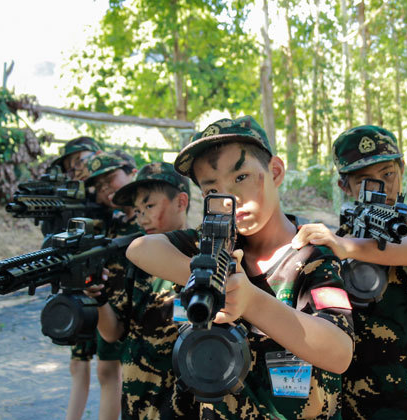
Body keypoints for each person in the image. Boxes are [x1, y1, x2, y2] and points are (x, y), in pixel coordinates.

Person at [125, 116, 355, 418]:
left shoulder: (311, 253)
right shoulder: (214, 242)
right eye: (212, 190)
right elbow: (140, 249)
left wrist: (250, 300)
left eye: (241, 177)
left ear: (274, 172)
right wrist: (211, 278)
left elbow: (339, 352)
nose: (229, 198)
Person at [291, 125, 407, 419]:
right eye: (364, 182)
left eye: (388, 174)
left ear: (402, 167)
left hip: (399, 388)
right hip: (344, 390)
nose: (381, 188)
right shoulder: (341, 235)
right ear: (344, 186)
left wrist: (347, 247)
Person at [85, 161, 199, 419]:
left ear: (181, 202)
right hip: (138, 406)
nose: (142, 216)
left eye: (149, 206)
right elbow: (113, 332)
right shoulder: (132, 261)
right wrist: (98, 297)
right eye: (137, 210)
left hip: (190, 407)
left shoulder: (204, 257)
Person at [67, 151, 141, 420]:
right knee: (107, 371)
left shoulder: (150, 223)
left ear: (131, 173)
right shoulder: (112, 221)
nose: (106, 189)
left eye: (111, 179)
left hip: (142, 309)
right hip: (108, 307)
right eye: (99, 186)